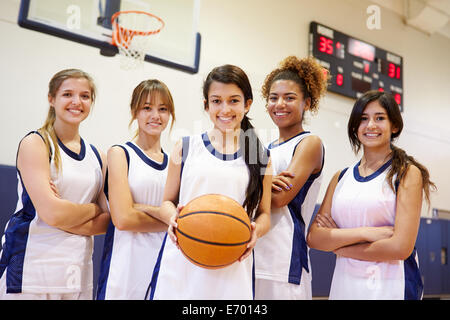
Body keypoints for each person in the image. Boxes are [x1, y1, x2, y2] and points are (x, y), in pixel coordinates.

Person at [146, 64, 272, 300]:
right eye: (216, 101)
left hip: (233, 262)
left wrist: (257, 232)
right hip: (183, 260)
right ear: (206, 105)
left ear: (247, 104)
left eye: (234, 100)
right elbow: (167, 202)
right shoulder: (184, 146)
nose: (225, 109)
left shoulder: (260, 155)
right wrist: (172, 217)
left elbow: (264, 213)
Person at [307, 90, 436, 300]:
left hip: (391, 287)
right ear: (355, 127)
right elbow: (314, 237)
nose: (371, 125)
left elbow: (400, 247)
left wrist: (339, 247)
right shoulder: (341, 177)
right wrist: (367, 233)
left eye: (380, 118)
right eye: (363, 119)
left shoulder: (406, 173)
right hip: (345, 287)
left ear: (394, 125)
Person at [0, 69, 110, 300]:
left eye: (84, 96)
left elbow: (107, 222)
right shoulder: (36, 143)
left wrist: (65, 214)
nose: (76, 102)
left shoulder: (98, 156)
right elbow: (52, 213)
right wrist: (93, 209)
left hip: (76, 271)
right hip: (30, 269)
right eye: (67, 94)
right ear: (51, 99)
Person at [253, 56, 328, 300]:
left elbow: (279, 198)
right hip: (255, 253)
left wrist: (259, 182)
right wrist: (265, 181)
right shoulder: (264, 149)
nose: (280, 104)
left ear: (307, 103)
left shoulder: (309, 143)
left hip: (285, 262)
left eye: (289, 97)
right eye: (273, 98)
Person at [96, 79, 175, 300]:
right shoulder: (120, 153)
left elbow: (181, 219)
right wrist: (166, 218)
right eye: (147, 108)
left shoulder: (174, 163)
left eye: (163, 109)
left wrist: (140, 207)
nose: (155, 116)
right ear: (134, 111)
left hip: (164, 261)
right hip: (126, 265)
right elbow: (123, 220)